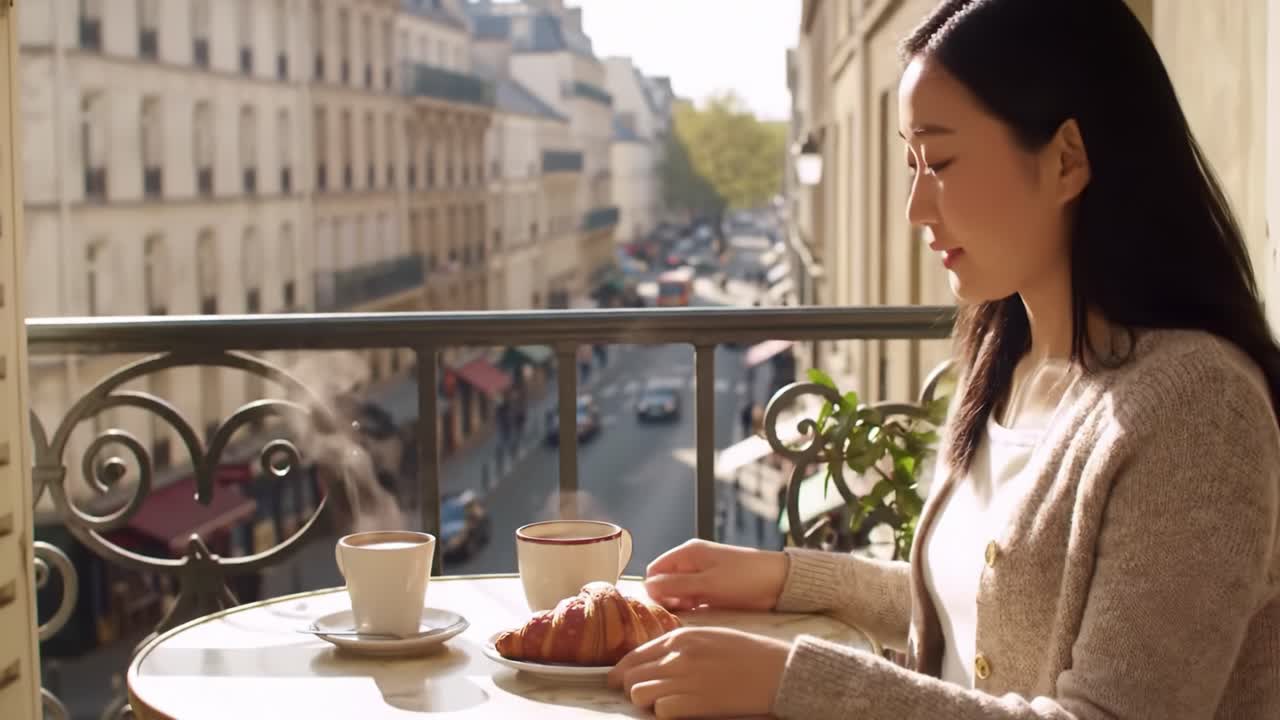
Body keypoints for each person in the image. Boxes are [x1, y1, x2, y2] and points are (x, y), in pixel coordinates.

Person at [606, 2, 1280, 718]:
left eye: (941, 162)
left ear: (1067, 159)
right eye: (911, 164)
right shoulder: (1007, 364)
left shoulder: (1196, 410)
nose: (915, 208)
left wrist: (792, 684)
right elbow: (987, 607)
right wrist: (786, 580)